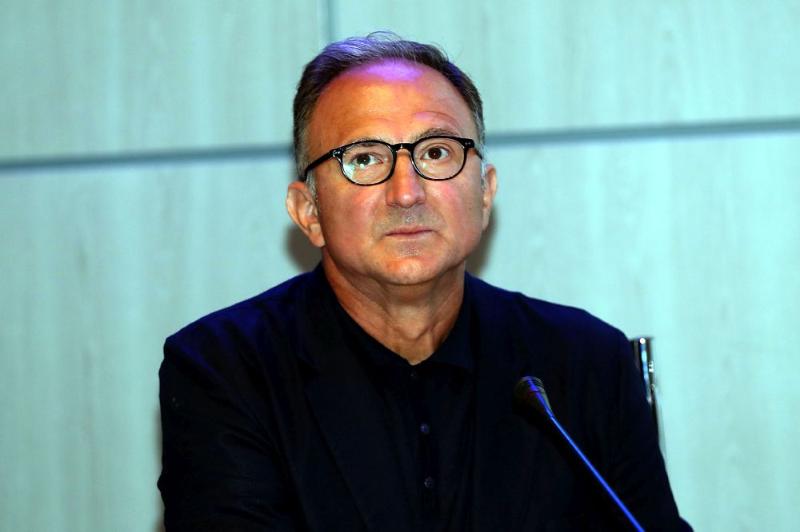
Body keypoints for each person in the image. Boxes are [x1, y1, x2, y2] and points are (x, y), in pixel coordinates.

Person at [158, 32, 691, 531]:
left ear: (484, 193)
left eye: (436, 152)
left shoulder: (585, 363)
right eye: (364, 159)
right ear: (309, 212)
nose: (406, 192)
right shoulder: (224, 370)